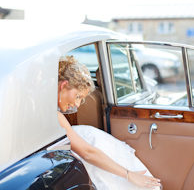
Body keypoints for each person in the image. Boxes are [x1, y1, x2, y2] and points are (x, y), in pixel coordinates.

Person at [57, 56, 161, 190]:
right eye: (77, 96)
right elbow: (88, 152)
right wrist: (128, 175)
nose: (76, 104)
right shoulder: (56, 116)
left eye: (81, 99)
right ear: (64, 85)